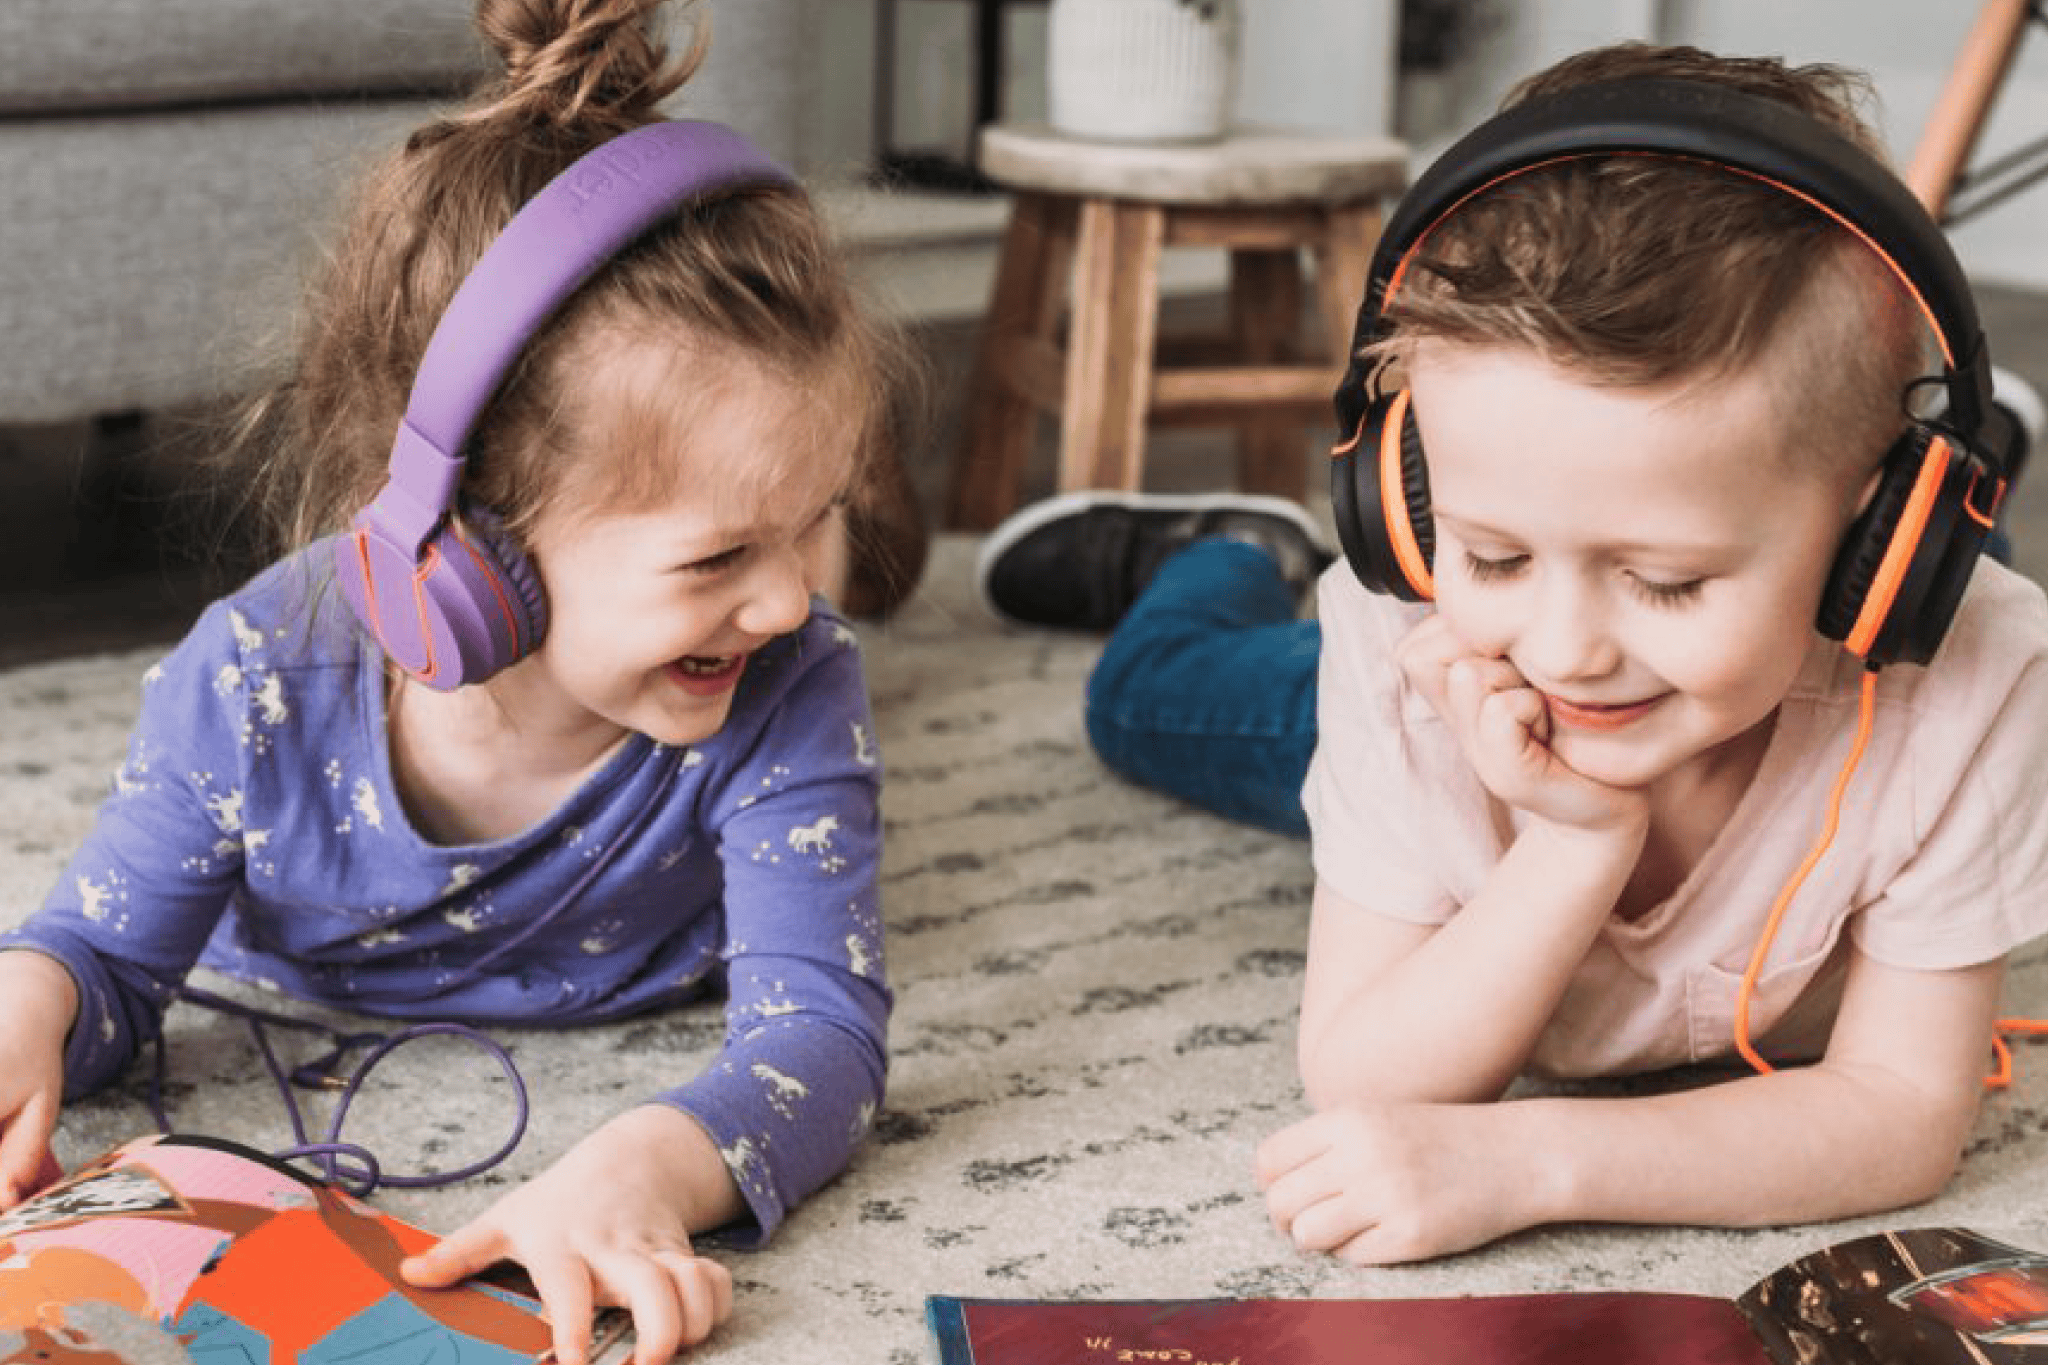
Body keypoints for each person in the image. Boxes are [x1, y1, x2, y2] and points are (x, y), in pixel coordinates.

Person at [979, 42, 2048, 1264]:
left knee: (1965, 571)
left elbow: (1902, 1117)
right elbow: (1361, 1072)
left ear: (1882, 548)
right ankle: (1227, 547)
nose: (1565, 651)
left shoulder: (1971, 676)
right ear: (1406, 502)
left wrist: (1533, 1161)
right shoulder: (1408, 642)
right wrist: (1573, 840)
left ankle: (1963, 475)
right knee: (1139, 701)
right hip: (1462, 715)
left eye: (1662, 579)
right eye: (1493, 553)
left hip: (1819, 632)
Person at [0, 1, 920, 1359]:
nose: (791, 600)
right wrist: (35, 1010)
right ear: (464, 549)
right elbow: (98, 960)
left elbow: (826, 1035)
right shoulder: (253, 678)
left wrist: (647, 1167)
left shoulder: (791, 678)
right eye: (721, 551)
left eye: (810, 521)